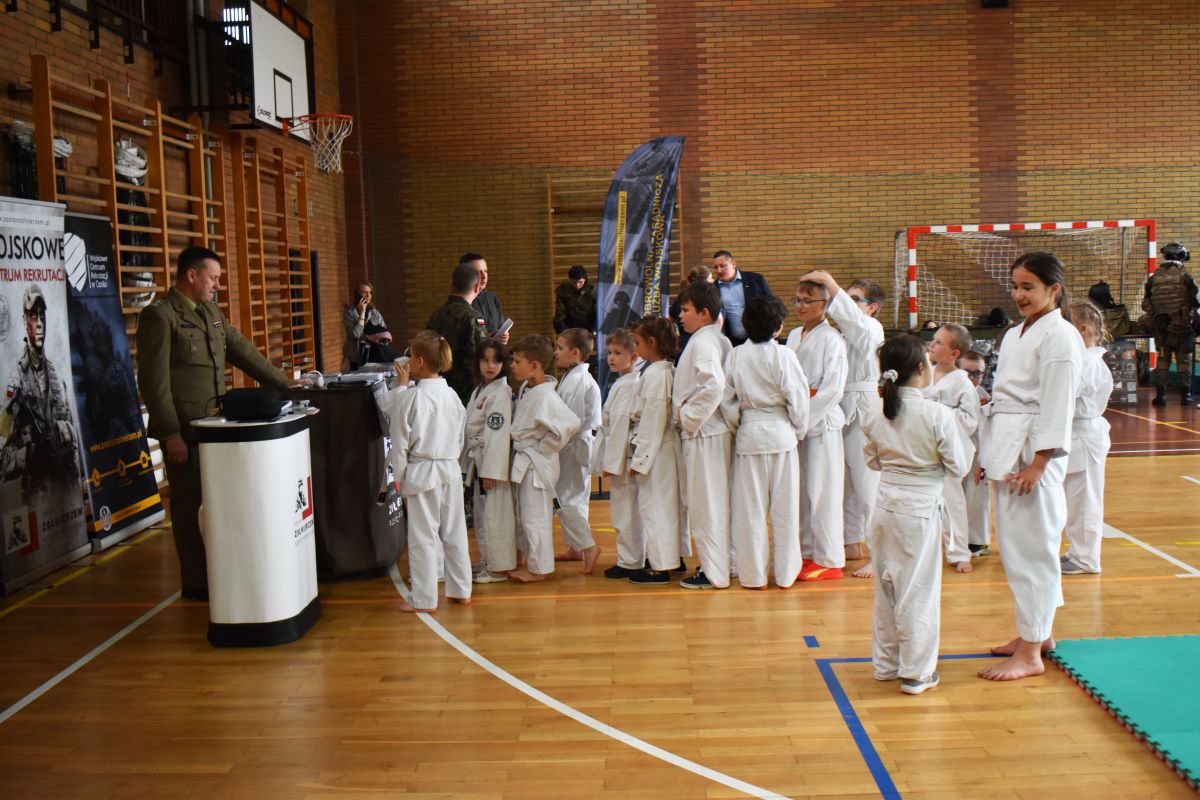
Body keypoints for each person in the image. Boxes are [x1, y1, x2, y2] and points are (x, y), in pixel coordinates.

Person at [137, 246, 291, 601]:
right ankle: (197, 583)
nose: (218, 285)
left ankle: (223, 574)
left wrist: (286, 385)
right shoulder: (160, 316)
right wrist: (170, 434)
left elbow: (243, 352)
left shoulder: (211, 312)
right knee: (189, 508)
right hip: (186, 433)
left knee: (222, 506)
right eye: (213, 278)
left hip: (218, 427)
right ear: (191, 275)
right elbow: (154, 383)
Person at [977, 251, 1084, 681]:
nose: (1019, 295)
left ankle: (1030, 653)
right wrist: (989, 453)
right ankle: (1038, 635)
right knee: (1018, 547)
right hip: (1010, 444)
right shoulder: (1016, 332)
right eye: (1015, 286)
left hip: (1034, 452)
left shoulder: (1060, 336)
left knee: (1033, 549)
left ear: (1054, 289)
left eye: (1028, 287)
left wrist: (1040, 462)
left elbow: (1059, 404)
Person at [863, 335, 969, 695]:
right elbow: (959, 465)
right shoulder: (936, 414)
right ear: (922, 368)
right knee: (917, 591)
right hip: (919, 510)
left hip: (884, 507)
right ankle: (917, 672)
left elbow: (873, 460)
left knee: (886, 589)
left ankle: (887, 664)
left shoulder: (875, 411)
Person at [380, 331, 472, 613]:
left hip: (422, 472)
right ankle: (462, 589)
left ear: (419, 361)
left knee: (423, 537)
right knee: (454, 532)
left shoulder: (411, 398)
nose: (407, 360)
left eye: (410, 356)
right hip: (450, 469)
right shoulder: (452, 395)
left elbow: (399, 445)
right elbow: (461, 437)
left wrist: (397, 480)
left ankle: (424, 599)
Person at [724, 294, 810, 589]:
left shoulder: (736, 355)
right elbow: (798, 397)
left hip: (749, 435)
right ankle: (785, 575)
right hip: (781, 434)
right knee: (786, 511)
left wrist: (740, 424)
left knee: (750, 511)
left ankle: (754, 577)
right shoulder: (784, 355)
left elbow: (727, 400)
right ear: (778, 327)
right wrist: (798, 429)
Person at [800, 270, 884, 564]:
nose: (846, 302)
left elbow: (855, 324)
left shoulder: (872, 328)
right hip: (840, 408)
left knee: (867, 483)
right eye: (845, 298)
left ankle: (880, 554)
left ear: (872, 307)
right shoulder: (839, 334)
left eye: (855, 299)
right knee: (845, 483)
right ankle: (851, 542)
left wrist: (830, 284)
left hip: (862, 407)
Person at [785, 279, 848, 581]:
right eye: (797, 300)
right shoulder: (794, 335)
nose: (800, 306)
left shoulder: (832, 339)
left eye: (807, 300)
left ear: (824, 305)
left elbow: (833, 389)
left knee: (824, 490)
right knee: (802, 492)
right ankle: (807, 552)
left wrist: (803, 419)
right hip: (797, 419)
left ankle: (830, 558)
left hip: (820, 423)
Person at [674, 281, 734, 589]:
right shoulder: (711, 338)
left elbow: (714, 385)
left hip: (705, 433)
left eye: (685, 310)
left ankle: (714, 572)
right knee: (713, 503)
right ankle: (722, 564)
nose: (680, 315)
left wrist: (688, 418)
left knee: (706, 504)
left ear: (704, 313)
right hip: (710, 432)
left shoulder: (705, 342)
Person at [507, 335, 580, 583]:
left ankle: (539, 569)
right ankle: (533, 560)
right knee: (528, 516)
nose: (512, 366)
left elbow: (570, 424)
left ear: (535, 365)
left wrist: (543, 447)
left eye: (517, 361)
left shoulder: (547, 396)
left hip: (536, 464)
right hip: (529, 461)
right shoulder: (530, 389)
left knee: (535, 517)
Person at [0, 285, 80, 493]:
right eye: (33, 316)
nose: (39, 323)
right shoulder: (15, 383)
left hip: (65, 492)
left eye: (42, 316)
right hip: (36, 499)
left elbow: (76, 441)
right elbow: (2, 457)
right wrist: (29, 455)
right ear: (24, 321)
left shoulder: (57, 379)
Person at [628, 316, 685, 585]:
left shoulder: (657, 376)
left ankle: (661, 567)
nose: (636, 348)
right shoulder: (665, 371)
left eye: (637, 343)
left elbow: (652, 421)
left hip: (657, 448)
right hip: (664, 446)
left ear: (652, 343)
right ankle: (674, 557)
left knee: (656, 506)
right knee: (669, 506)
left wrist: (640, 460)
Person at [924, 323, 981, 574]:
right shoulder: (924, 373)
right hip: (923, 446)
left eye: (939, 342)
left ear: (954, 354)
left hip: (949, 449)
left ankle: (959, 552)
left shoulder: (963, 384)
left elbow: (969, 421)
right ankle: (925, 546)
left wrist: (939, 411)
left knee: (952, 501)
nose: (932, 345)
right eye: (933, 339)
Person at [1061, 301, 1112, 575]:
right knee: (1075, 500)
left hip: (1085, 435)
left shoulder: (1090, 361)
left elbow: (1070, 390)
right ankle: (1077, 552)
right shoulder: (1083, 359)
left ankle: (1086, 558)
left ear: (1082, 329)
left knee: (1085, 501)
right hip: (1076, 434)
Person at [462, 338, 517, 583]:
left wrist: (491, 472)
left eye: (496, 361)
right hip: (480, 459)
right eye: (485, 360)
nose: (490, 366)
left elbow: (498, 435)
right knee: (483, 515)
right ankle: (488, 559)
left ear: (503, 364)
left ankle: (499, 568)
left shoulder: (501, 393)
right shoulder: (481, 390)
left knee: (496, 516)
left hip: (492, 462)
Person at [594, 329, 644, 579]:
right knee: (626, 510)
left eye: (617, 353)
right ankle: (632, 557)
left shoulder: (629, 385)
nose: (611, 358)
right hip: (623, 455)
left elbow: (621, 426)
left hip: (624, 458)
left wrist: (611, 464)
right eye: (609, 353)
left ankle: (630, 561)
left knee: (626, 512)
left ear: (634, 356)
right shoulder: (623, 382)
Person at [552, 328, 602, 574]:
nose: (555, 352)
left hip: (573, 443)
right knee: (575, 497)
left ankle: (588, 546)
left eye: (560, 348)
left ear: (575, 352)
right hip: (574, 443)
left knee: (565, 498)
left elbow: (569, 420)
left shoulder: (578, 381)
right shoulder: (572, 376)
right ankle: (575, 547)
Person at [1141, 243, 1198, 406]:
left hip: (1160, 325)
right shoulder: (1185, 276)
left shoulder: (1153, 278)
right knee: (1183, 360)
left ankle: (1161, 396)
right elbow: (1197, 301)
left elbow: (1146, 302)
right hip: (1181, 324)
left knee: (1163, 359)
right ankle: (1185, 396)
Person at [427, 260, 488, 405]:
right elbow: (480, 356)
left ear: (451, 284)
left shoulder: (436, 314)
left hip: (438, 390)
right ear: (477, 287)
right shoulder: (474, 318)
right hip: (466, 395)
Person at [959, 350, 993, 557]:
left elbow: (988, 431)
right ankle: (954, 538)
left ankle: (977, 541)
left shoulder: (985, 398)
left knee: (977, 498)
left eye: (977, 373)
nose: (972, 378)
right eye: (967, 372)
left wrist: (985, 459)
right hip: (954, 451)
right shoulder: (951, 391)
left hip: (977, 455)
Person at [711, 250, 773, 347]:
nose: (719, 270)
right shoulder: (712, 289)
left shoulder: (755, 280)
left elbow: (772, 306)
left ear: (733, 264)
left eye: (722, 266)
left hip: (760, 339)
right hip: (732, 343)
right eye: (716, 267)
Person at [342, 280, 394, 370]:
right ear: (357, 294)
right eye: (364, 292)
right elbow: (356, 334)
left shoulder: (374, 312)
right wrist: (362, 312)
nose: (368, 296)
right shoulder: (350, 312)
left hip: (376, 354)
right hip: (357, 357)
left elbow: (384, 333)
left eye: (370, 292)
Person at [461, 253, 510, 344]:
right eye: (479, 272)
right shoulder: (462, 302)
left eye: (485, 271)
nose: (484, 276)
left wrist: (503, 336)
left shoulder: (492, 298)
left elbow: (499, 326)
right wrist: (486, 339)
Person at [670, 264, 716, 353]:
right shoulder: (706, 301)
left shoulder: (680, 299)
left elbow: (670, 321)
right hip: (697, 347)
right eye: (710, 278)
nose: (713, 281)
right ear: (703, 283)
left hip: (686, 346)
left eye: (685, 310)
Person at [554, 265, 597, 334]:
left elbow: (597, 315)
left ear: (585, 279)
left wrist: (593, 332)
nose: (577, 285)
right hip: (568, 327)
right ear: (570, 280)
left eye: (580, 282)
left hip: (588, 327)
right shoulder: (563, 291)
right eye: (574, 282)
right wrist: (564, 333)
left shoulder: (593, 292)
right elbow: (560, 316)